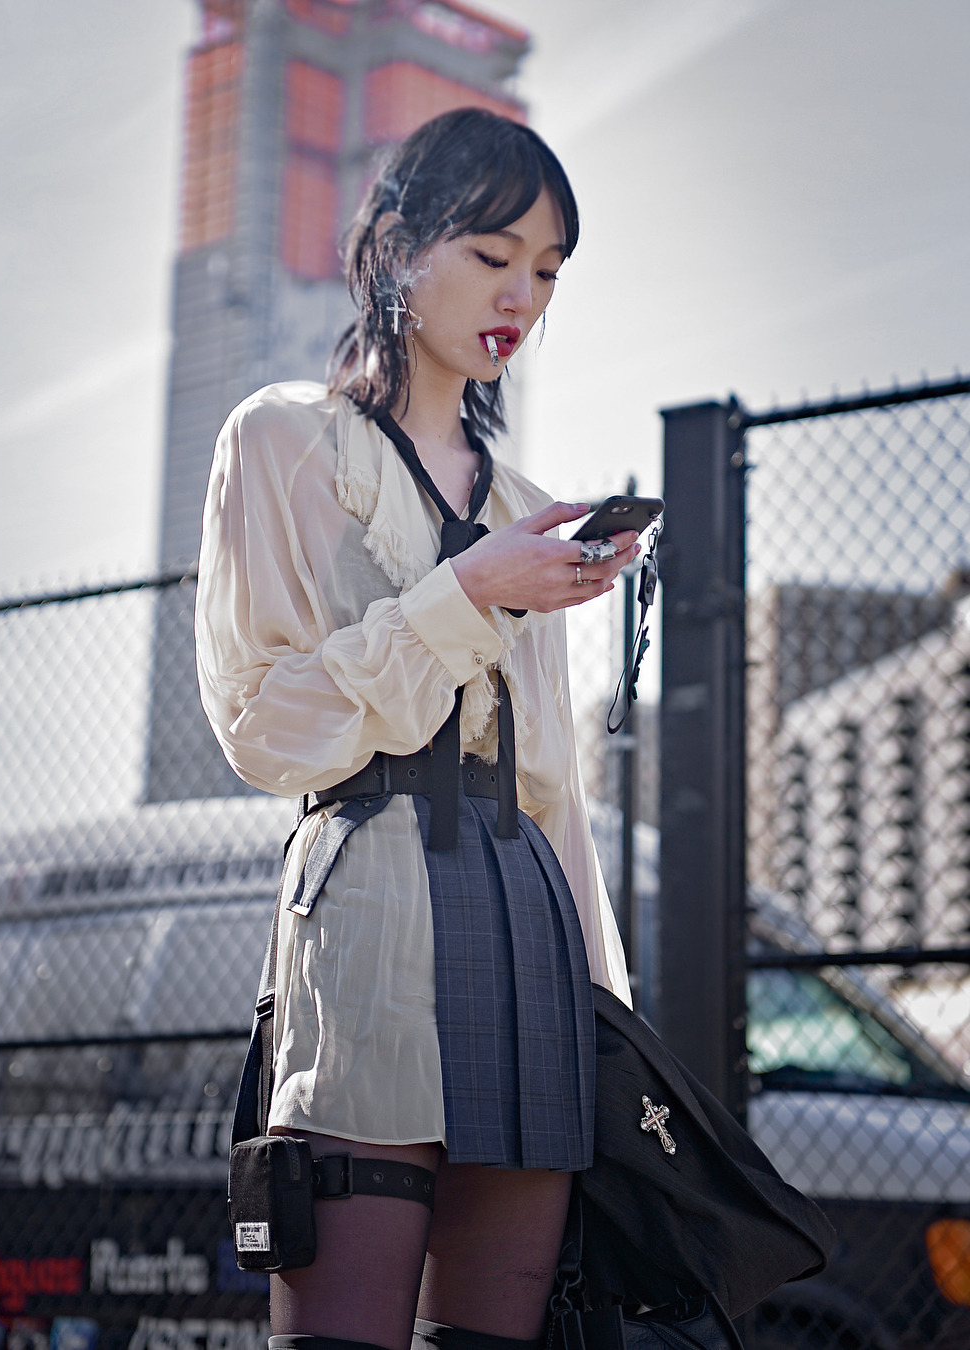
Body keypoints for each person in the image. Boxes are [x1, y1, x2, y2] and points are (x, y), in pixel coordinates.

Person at [195, 108, 638, 1350]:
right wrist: (471, 592)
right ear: (396, 246)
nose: (524, 296)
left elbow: (550, 784)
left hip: (528, 930)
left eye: (547, 271)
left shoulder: (528, 507)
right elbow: (267, 729)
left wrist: (605, 1003)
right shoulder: (282, 440)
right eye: (493, 254)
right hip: (370, 910)